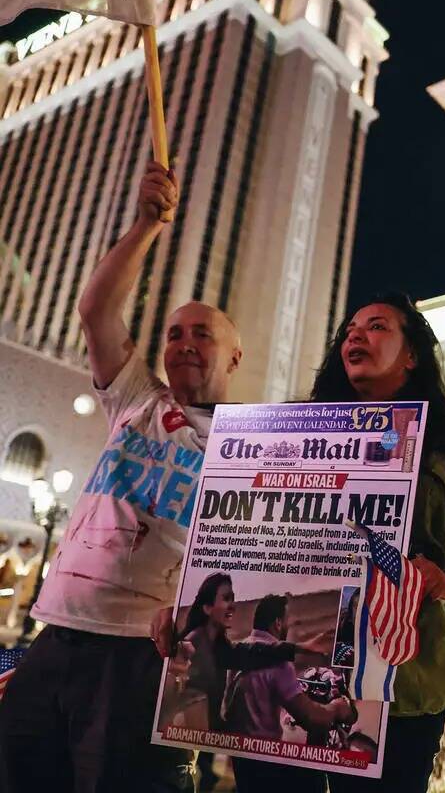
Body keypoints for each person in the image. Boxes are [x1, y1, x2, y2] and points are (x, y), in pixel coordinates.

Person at [0, 162, 235, 791]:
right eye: (175, 333)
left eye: (202, 335)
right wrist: (145, 226)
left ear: (234, 355)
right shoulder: (136, 396)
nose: (184, 343)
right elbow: (97, 308)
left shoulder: (250, 446)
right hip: (61, 629)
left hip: (147, 653)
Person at [305, 292, 445, 792]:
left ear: (412, 354)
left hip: (408, 681)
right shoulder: (297, 431)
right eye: (350, 330)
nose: (355, 335)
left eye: (375, 327)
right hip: (301, 670)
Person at [223, 595, 353, 792]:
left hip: (244, 761)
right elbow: (311, 718)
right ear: (277, 623)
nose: (289, 627)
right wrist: (338, 708)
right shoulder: (279, 663)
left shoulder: (242, 651)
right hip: (273, 766)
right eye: (289, 622)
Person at [171, 572, 327, 733]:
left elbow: (253, 652)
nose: (233, 605)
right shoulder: (194, 646)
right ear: (207, 608)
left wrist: (301, 647)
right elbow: (192, 710)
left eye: (232, 598)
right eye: (226, 599)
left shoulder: (218, 647)